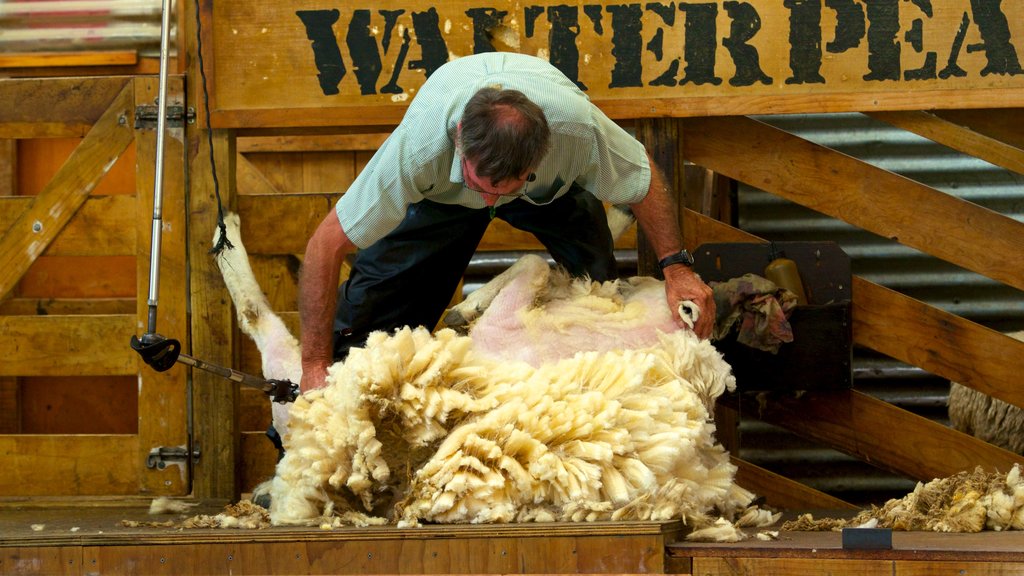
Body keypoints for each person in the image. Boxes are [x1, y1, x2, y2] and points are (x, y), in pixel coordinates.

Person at [298, 52, 715, 393]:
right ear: (460, 135)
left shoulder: (577, 131)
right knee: (370, 314)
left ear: (542, 152)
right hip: (442, 195)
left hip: (548, 193)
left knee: (598, 297)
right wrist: (313, 364)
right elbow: (325, 244)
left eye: (504, 188)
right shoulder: (418, 148)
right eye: (484, 186)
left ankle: (595, 403)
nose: (490, 202)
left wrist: (676, 267)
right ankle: (308, 435)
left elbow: (642, 180)